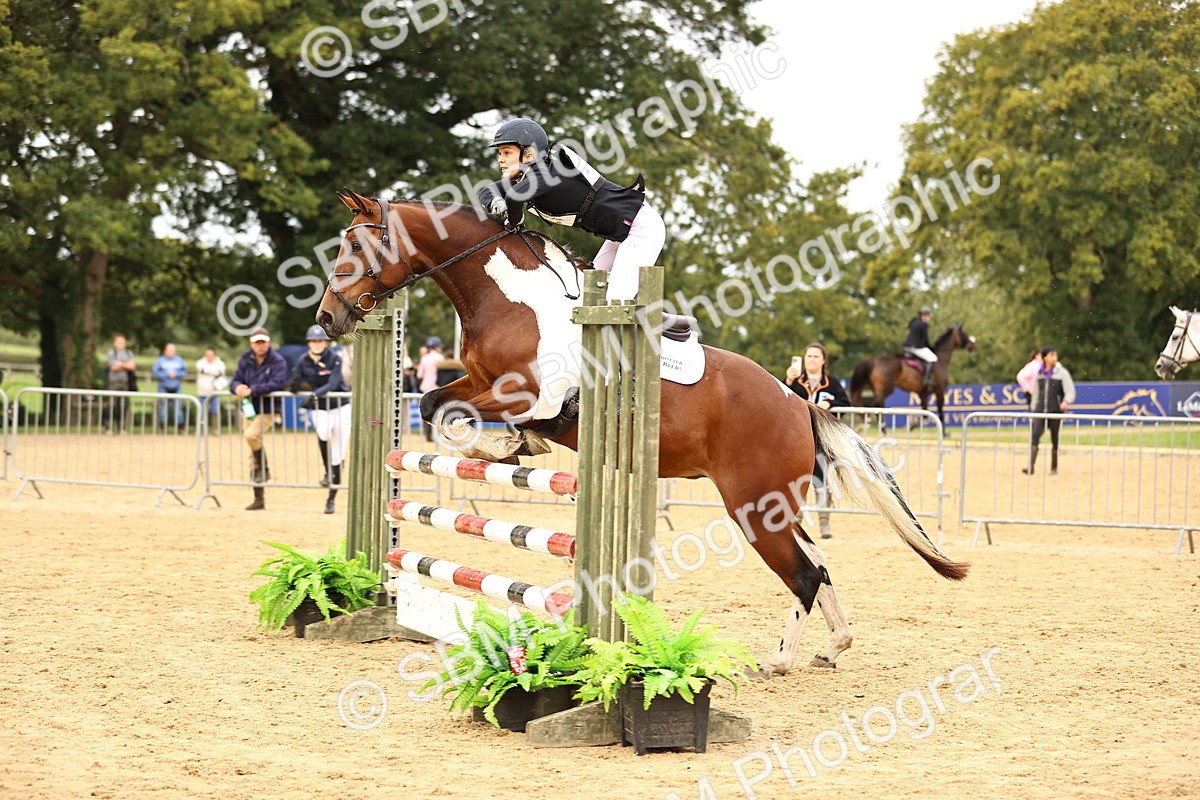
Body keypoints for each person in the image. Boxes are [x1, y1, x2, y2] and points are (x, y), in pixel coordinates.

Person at [477, 117, 666, 303]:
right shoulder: (526, 178)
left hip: (641, 228)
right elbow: (485, 190)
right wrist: (497, 204)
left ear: (528, 155)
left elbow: (514, 197)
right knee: (590, 296)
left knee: (615, 302)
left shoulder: (547, 175)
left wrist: (514, 220)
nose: (500, 160)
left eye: (507, 153)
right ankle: (663, 321)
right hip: (617, 235)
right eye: (500, 153)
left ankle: (659, 320)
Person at [785, 343, 851, 539]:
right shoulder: (796, 382)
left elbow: (845, 403)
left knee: (822, 483)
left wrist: (829, 403)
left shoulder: (832, 383)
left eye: (815, 356)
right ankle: (796, 523)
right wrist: (788, 380)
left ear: (823, 360)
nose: (811, 360)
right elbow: (780, 400)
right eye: (809, 356)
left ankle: (824, 523)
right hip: (797, 440)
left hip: (822, 441)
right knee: (798, 482)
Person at [290, 325, 351, 514]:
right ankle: (328, 471)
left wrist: (313, 395)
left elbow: (332, 384)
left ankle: (331, 499)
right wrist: (294, 381)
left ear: (326, 343)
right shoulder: (303, 360)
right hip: (321, 407)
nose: (317, 344)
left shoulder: (335, 358)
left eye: (320, 341)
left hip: (340, 406)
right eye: (314, 341)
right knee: (323, 431)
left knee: (338, 454)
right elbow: (294, 386)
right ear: (309, 343)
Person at [230, 327, 288, 510]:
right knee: (251, 451)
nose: (260, 345)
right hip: (249, 408)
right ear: (251, 344)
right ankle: (259, 498)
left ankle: (264, 469)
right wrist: (237, 387)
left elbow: (277, 383)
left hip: (269, 409)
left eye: (263, 342)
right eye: (257, 342)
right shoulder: (245, 358)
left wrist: (252, 390)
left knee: (251, 436)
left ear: (268, 342)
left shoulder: (278, 361)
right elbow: (235, 380)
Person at [1022, 347, 1076, 476]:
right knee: (1035, 436)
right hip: (1040, 411)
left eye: (1055, 355)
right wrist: (1033, 409)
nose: (1054, 358)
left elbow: (1070, 390)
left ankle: (1054, 467)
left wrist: (1066, 401)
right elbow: (1036, 393)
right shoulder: (1039, 374)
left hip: (1055, 411)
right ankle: (1031, 465)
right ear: (1045, 357)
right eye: (1051, 355)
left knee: (1054, 438)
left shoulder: (1061, 373)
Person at [152, 342, 188, 432]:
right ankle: (162, 428)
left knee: (178, 408)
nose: (171, 352)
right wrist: (166, 375)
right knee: (163, 408)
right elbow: (155, 371)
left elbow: (185, 371)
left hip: (176, 387)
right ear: (165, 351)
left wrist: (177, 375)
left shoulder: (179, 360)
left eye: (172, 350)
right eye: (169, 350)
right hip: (163, 386)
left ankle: (180, 428)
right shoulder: (160, 360)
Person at [104, 335, 136, 434]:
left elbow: (132, 366)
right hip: (113, 382)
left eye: (122, 342)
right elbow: (113, 367)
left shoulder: (129, 353)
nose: (121, 344)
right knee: (112, 405)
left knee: (124, 405)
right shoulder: (111, 353)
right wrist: (126, 365)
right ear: (114, 343)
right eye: (119, 342)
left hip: (125, 383)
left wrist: (120, 364)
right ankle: (109, 427)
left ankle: (122, 428)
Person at [416, 336, 445, 442]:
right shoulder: (440, 358)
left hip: (426, 387)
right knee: (438, 411)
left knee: (426, 410)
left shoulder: (424, 358)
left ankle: (427, 434)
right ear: (436, 347)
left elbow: (419, 375)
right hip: (437, 386)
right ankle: (437, 434)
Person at [903, 307, 937, 389]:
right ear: (924, 315)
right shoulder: (923, 324)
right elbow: (925, 339)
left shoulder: (915, 322)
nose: (929, 318)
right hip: (915, 347)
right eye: (929, 316)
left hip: (907, 345)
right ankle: (926, 379)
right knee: (933, 358)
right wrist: (931, 348)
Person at [195, 346, 227, 434]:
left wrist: (207, 371)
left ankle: (216, 429)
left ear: (214, 355)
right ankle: (200, 430)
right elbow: (202, 370)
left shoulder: (220, 363)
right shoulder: (200, 362)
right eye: (207, 355)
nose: (209, 357)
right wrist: (214, 372)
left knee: (215, 411)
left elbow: (221, 372)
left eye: (211, 355)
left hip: (214, 392)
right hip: (202, 392)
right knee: (201, 411)